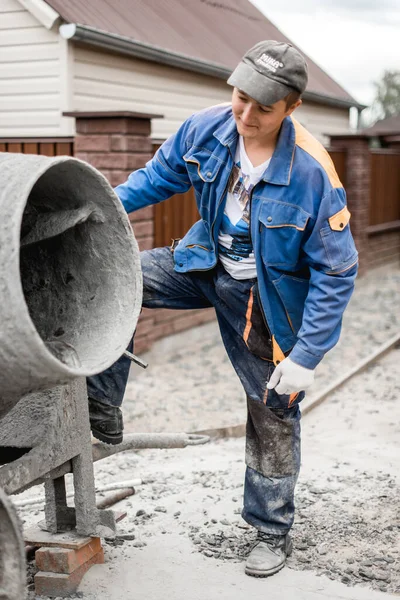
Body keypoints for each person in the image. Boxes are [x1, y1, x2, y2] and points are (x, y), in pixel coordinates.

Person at [87, 40, 358, 577]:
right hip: (204, 260)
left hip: (264, 298)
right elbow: (154, 180)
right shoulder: (205, 130)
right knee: (118, 278)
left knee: (273, 405)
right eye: (240, 98)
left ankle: (271, 530)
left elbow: (337, 270)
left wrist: (306, 354)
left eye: (264, 107)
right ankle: (103, 408)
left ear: (292, 108)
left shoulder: (312, 175)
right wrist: (95, 203)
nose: (247, 115)